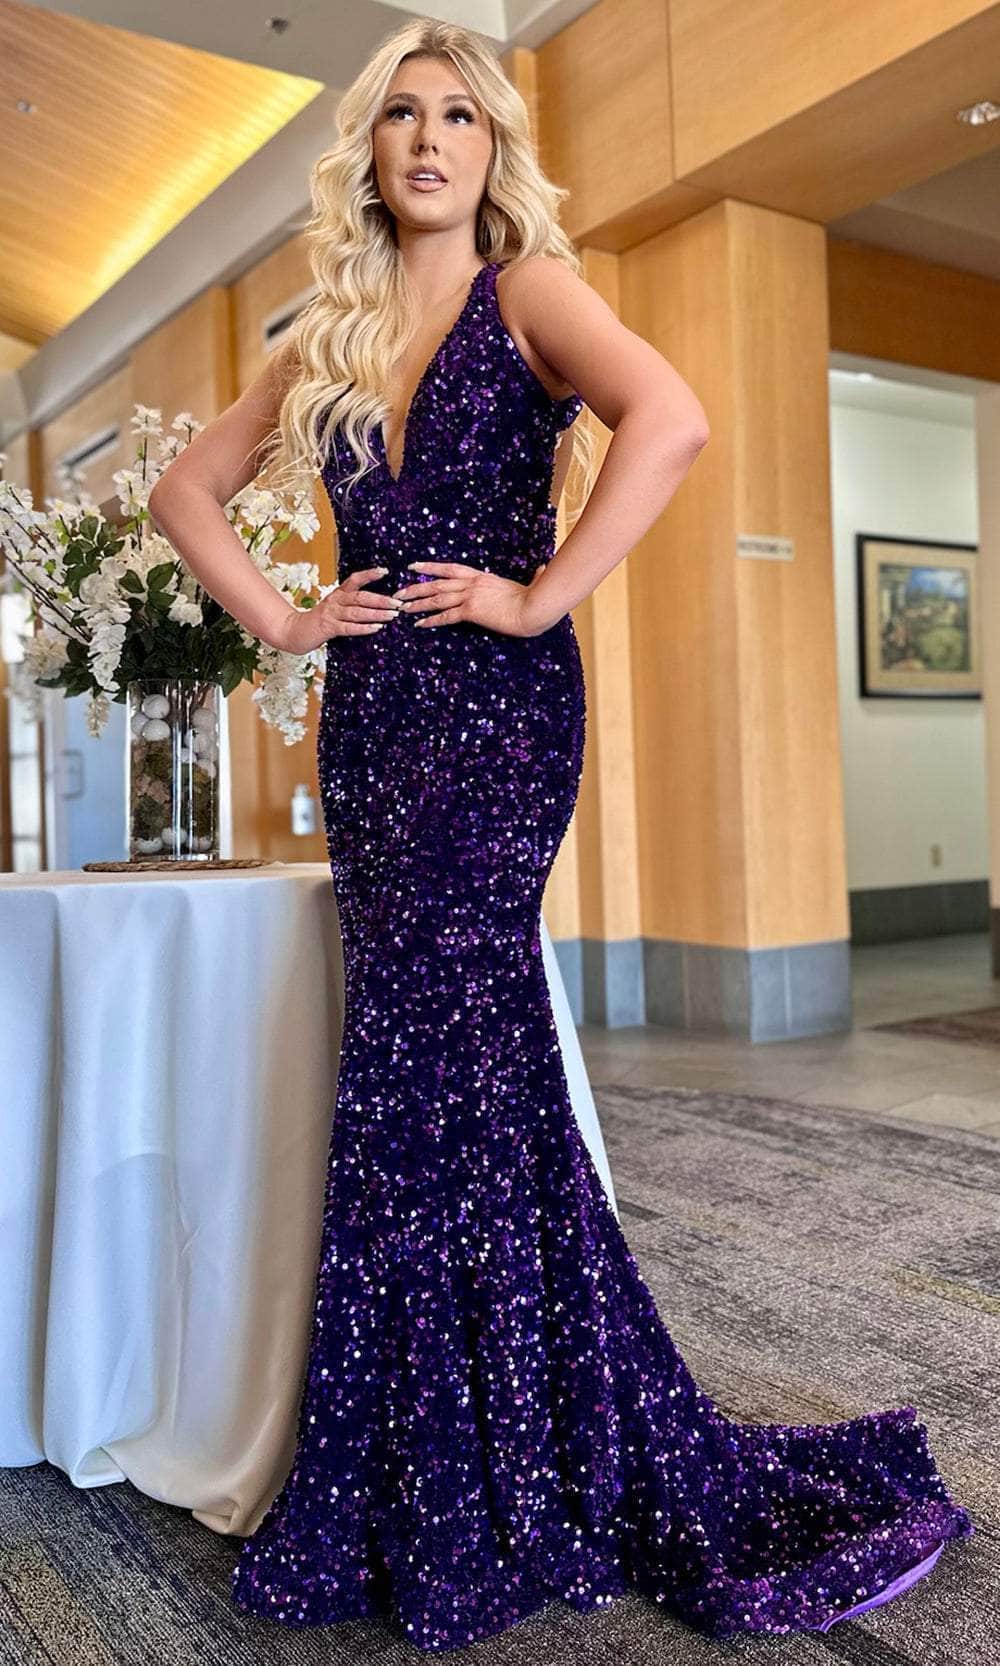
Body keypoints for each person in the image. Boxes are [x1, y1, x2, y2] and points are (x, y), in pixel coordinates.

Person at [147, 15, 974, 1654]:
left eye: (459, 116)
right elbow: (186, 491)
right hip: (375, 724)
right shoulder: (325, 333)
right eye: (403, 115)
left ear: (491, 150)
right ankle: (459, 1444)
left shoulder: (526, 291)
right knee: (424, 1070)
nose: (430, 140)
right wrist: (290, 621)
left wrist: (540, 595)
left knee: (452, 1053)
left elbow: (671, 419)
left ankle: (506, 1445)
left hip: (500, 718)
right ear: (368, 152)